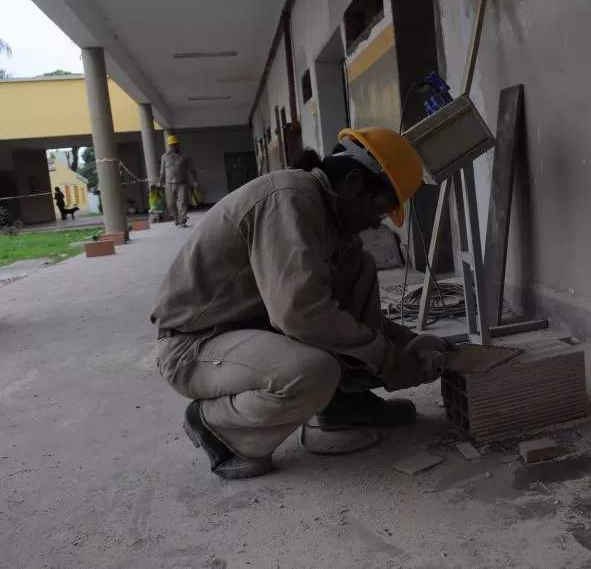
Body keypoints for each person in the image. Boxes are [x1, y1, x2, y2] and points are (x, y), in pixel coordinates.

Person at [151, 127, 443, 480]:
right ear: (353, 181)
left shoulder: (329, 219)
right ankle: (216, 426)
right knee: (313, 372)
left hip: (246, 329)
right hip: (193, 345)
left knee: (358, 265)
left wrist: (408, 342)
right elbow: (301, 312)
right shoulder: (291, 199)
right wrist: (388, 359)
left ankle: (343, 402)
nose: (374, 223)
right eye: (379, 210)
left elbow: (344, 313)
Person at [156, 134, 197, 227]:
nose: (173, 146)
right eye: (171, 145)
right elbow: (162, 171)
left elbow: (192, 169)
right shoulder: (164, 157)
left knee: (182, 202)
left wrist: (195, 181)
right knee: (170, 203)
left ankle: (182, 220)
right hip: (169, 183)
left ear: (178, 144)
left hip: (182, 183)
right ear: (169, 146)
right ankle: (176, 218)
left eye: (175, 144)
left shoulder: (185, 156)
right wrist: (159, 181)